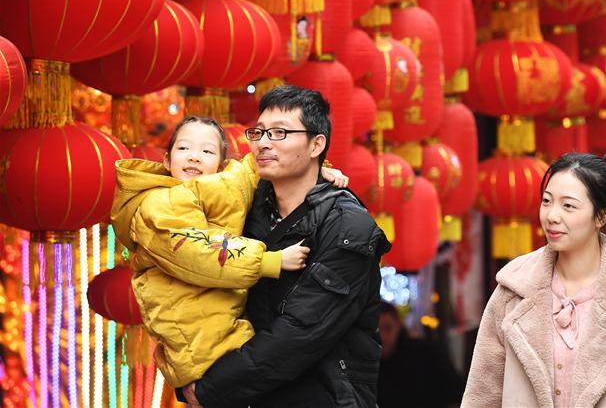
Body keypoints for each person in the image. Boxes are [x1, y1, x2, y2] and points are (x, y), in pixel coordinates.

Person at [185, 85, 391, 408]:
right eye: (260, 132)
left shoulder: (348, 227)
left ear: (316, 145)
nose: (264, 143)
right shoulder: (251, 204)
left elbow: (300, 333)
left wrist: (210, 388)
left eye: (280, 133)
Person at [111, 116, 335, 390]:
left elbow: (254, 168)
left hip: (226, 319)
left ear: (221, 164)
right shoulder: (157, 204)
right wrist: (269, 260)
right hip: (195, 334)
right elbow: (196, 251)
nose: (194, 157)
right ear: (167, 161)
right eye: (183, 149)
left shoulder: (223, 187)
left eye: (206, 151)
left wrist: (317, 169)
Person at [462, 151, 606, 408]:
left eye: (568, 206)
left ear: (602, 216)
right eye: (547, 201)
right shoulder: (513, 290)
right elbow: (482, 395)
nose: (552, 215)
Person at [377, 302, 465, 408]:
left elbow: (458, 394)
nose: (382, 337)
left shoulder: (427, 354)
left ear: (398, 326)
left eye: (387, 328)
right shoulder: (359, 364)